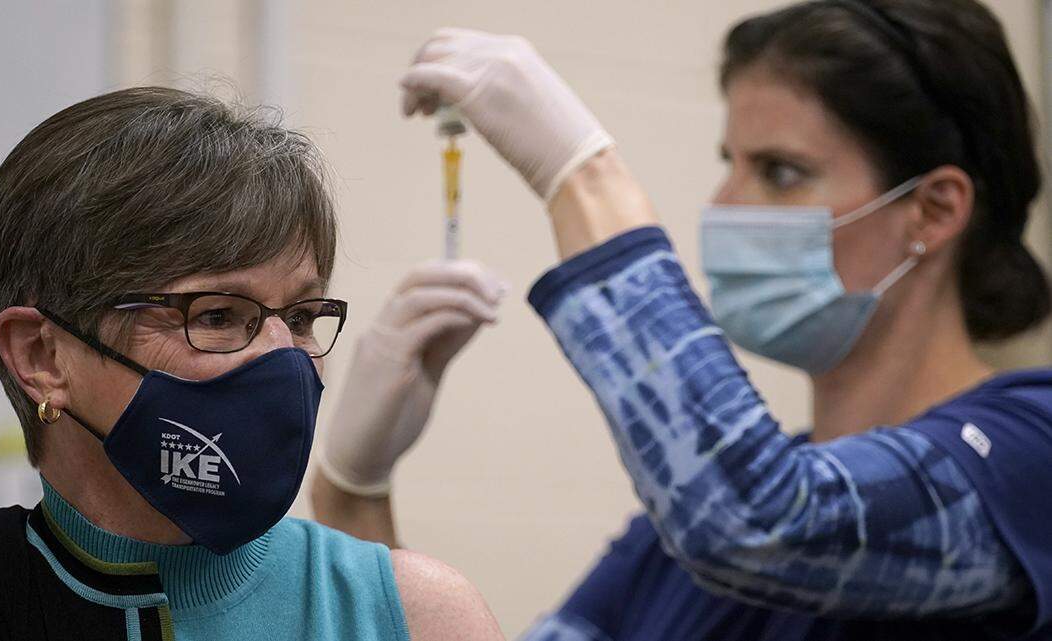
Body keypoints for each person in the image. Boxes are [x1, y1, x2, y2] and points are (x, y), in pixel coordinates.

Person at [314, 1, 1052, 639]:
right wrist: (353, 492)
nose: (726, 204)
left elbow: (764, 520)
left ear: (934, 209)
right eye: (729, 160)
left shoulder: (1030, 447)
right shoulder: (673, 545)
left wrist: (581, 174)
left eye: (780, 171)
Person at [0, 87, 506, 641]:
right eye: (218, 315)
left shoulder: (413, 613)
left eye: (301, 317)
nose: (283, 357)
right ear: (43, 356)